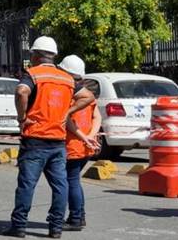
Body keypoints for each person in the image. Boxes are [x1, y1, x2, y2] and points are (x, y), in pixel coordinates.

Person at [3, 37, 95, 239]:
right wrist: (67, 112)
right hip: (58, 142)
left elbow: (21, 92)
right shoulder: (66, 78)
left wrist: (22, 118)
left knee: (27, 185)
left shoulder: (33, 74)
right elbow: (88, 97)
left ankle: (19, 226)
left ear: (35, 55)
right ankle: (55, 228)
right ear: (53, 56)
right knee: (60, 186)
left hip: (35, 139)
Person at [59, 55, 101, 232]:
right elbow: (97, 116)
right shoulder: (86, 93)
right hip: (86, 146)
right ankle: (79, 216)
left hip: (73, 145)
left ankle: (76, 218)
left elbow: (66, 120)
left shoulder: (69, 94)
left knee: (71, 181)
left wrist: (84, 137)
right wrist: (91, 135)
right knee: (74, 180)